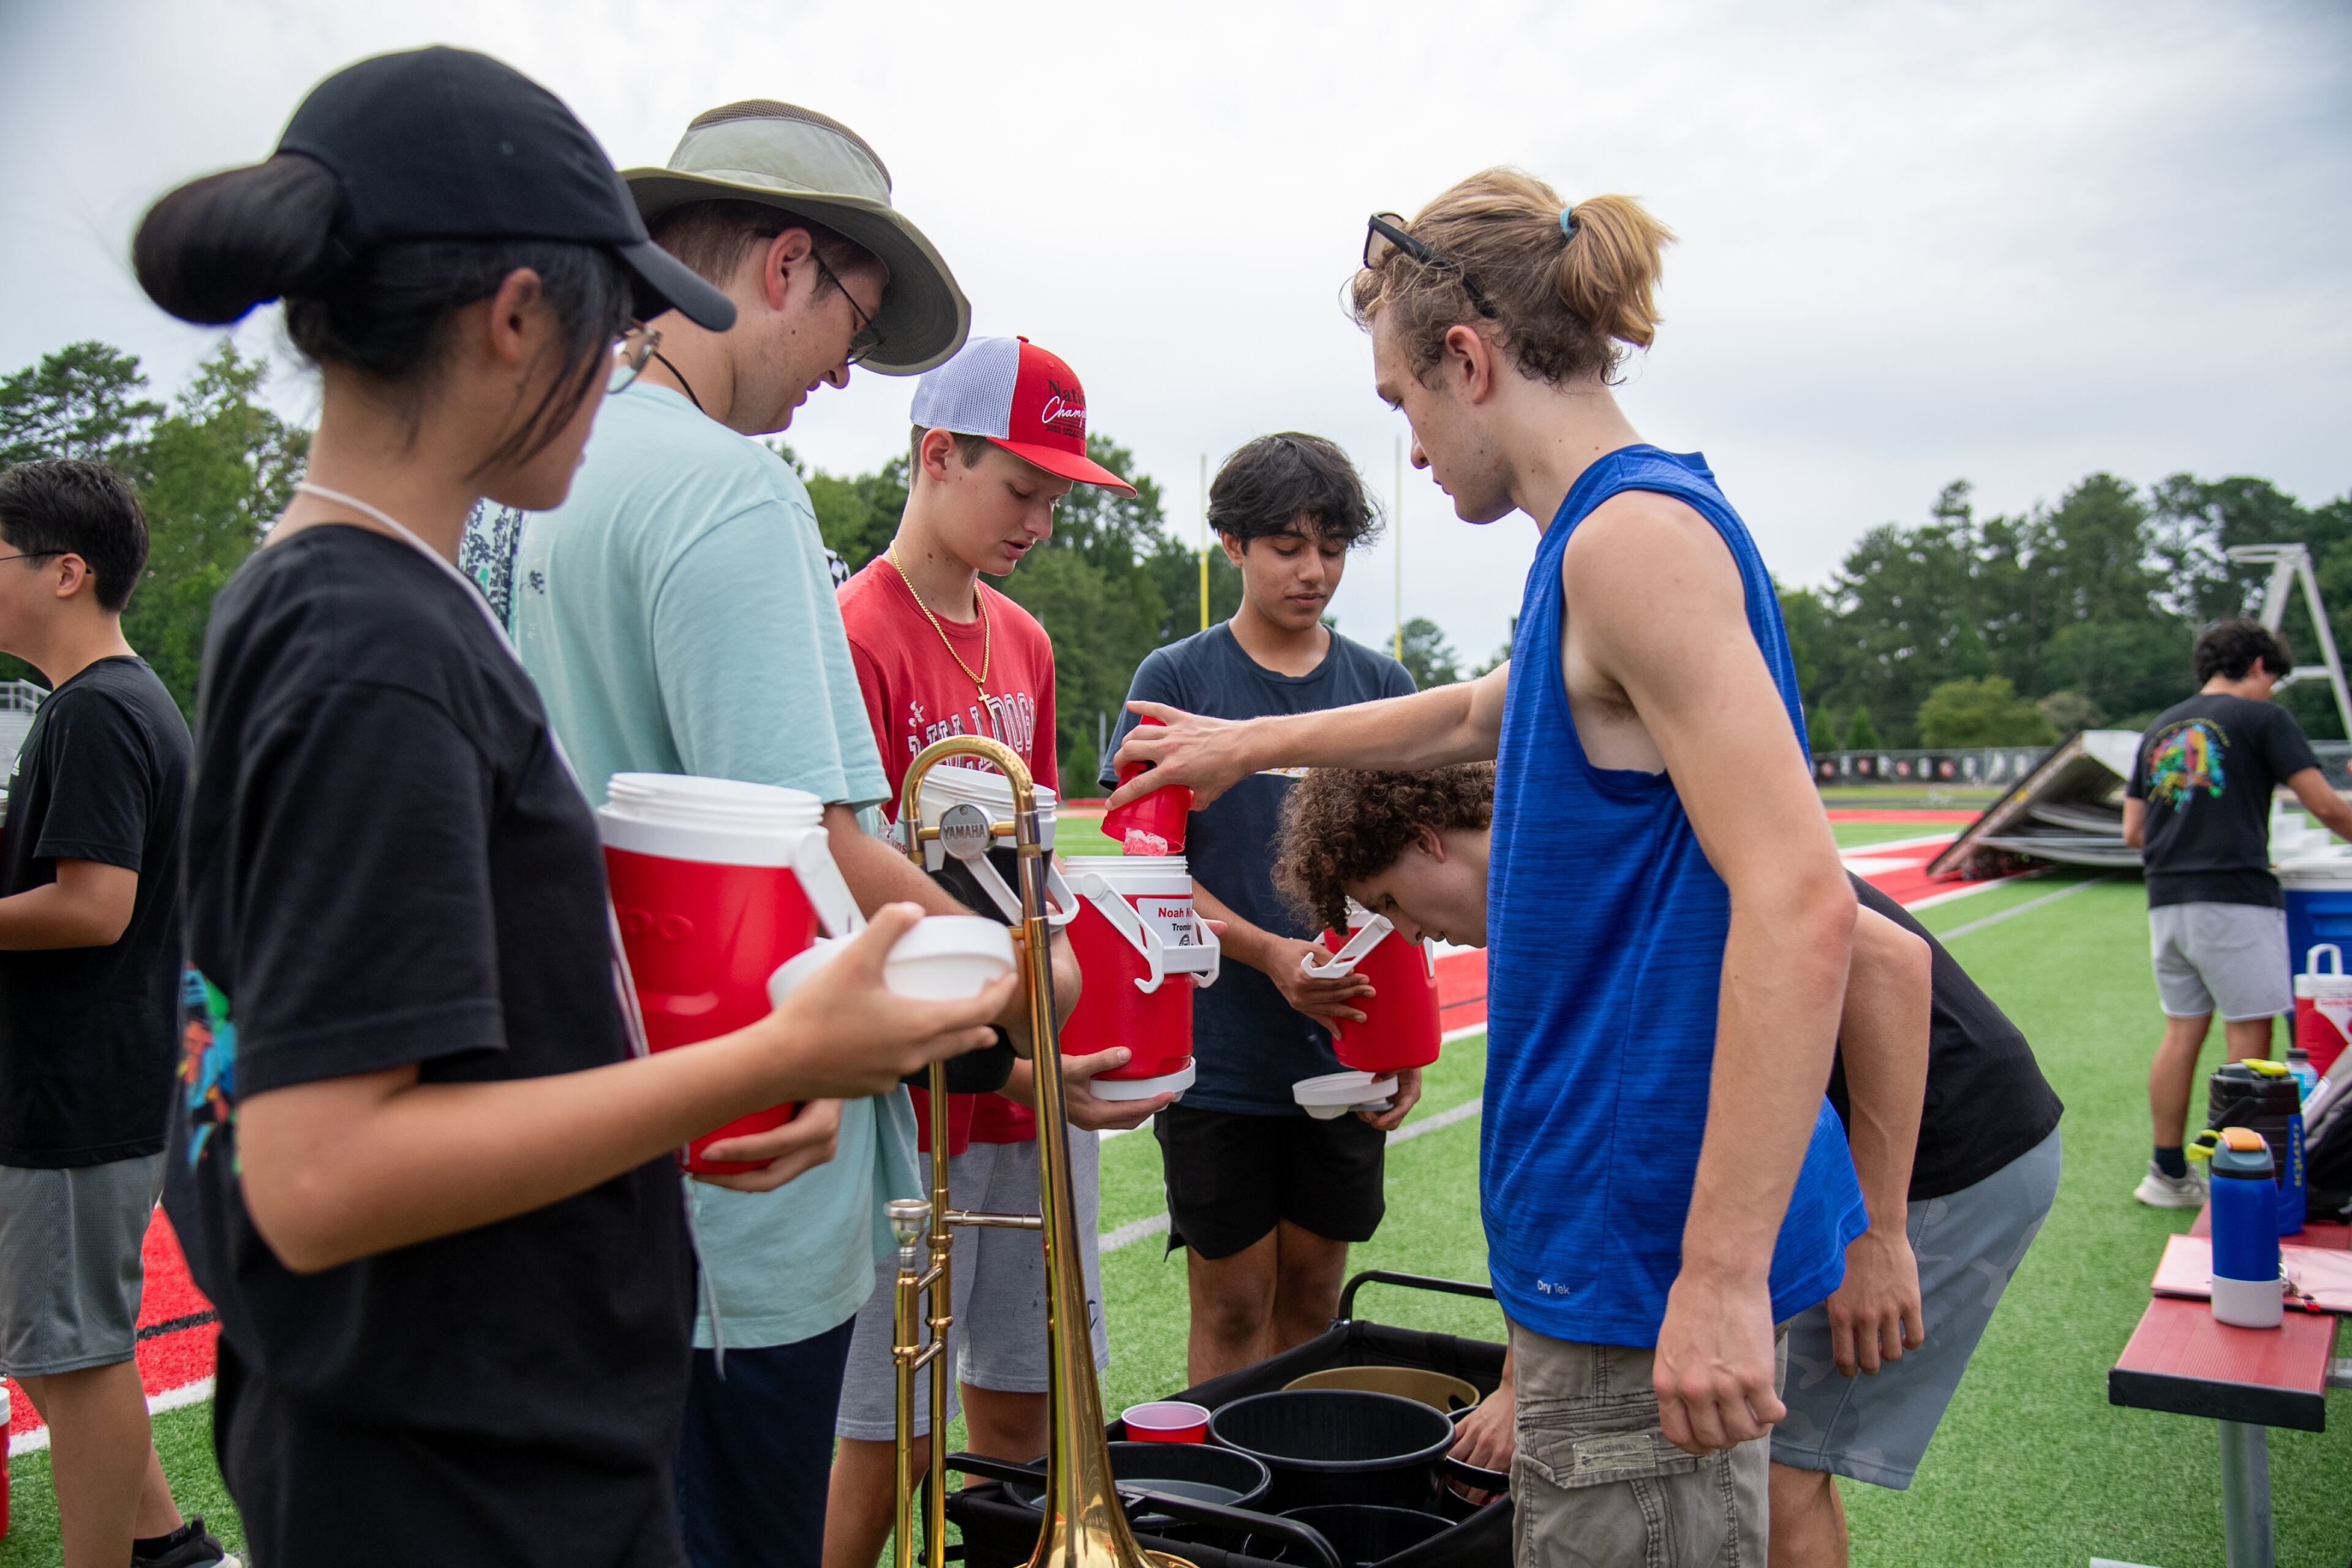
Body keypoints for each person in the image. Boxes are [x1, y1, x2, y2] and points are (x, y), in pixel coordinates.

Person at [135, 50, 1008, 1564]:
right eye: (608, 316)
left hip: (442, 1412)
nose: (621, 372)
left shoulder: (353, 592)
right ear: (517, 314)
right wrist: (776, 1049)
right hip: (464, 1461)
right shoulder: (370, 645)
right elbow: (319, 1171)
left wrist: (716, 1084)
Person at [1107, 170, 1867, 1561]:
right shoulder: (1597, 538)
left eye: (1399, 401)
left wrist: (1715, 1268)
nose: (1404, 452)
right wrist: (1241, 745)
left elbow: (1802, 895)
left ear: (1468, 359)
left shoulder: (1631, 540)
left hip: (1639, 1241)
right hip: (1609, 1228)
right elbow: (1469, 712)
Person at [462, 104, 1082, 1568]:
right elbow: (812, 855)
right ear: (790, 263)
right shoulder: (725, 488)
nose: (842, 376)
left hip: (565, 1147)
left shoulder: (529, 474)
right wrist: (1025, 990)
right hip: (738, 1183)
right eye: (853, 327)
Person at [1275, 765, 2065, 1568]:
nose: (1409, 934)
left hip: (1942, 1143)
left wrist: (1883, 1228)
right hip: (1839, 1138)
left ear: (1427, 842)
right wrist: (1524, 1378)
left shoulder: (1607, 852)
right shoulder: (1546, 885)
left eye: (1389, 903)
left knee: (1783, 1465)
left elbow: (1890, 967)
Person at [825, 337, 1155, 1568]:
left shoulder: (1025, 638)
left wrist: (1057, 975)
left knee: (1024, 1396)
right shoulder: (855, 627)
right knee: (887, 1420)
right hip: (917, 1084)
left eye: (1058, 494)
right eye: (1023, 485)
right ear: (937, 453)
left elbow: (1037, 850)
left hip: (1028, 1075)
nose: (1043, 517)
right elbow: (844, 869)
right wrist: (1018, 986)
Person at [1098, 433, 1416, 1384]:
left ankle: (1305, 1499)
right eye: (1287, 545)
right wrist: (1270, 955)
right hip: (1218, 1051)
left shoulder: (1380, 689)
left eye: (1332, 546)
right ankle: (1227, 1513)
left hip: (1342, 1051)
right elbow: (1150, 866)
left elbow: (1414, 880)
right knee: (1232, 1306)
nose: (1313, 570)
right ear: (1232, 545)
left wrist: (1403, 1037)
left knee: (1316, 1301)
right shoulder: (1178, 682)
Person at [0, 461, 227, 1568]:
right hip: (83, 1078)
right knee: (55, 1348)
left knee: (74, 1354)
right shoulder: (107, 703)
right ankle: (166, 1547)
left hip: (81, 1085)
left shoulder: (97, 710)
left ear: (66, 572)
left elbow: (94, 906)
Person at [2122, 617, 2352, 1207]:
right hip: (2232, 897)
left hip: (2166, 900)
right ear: (2258, 667)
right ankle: (2236, 1180)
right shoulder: (2265, 718)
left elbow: (2133, 832)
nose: (2272, 689)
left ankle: (2167, 1173)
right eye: (2273, 677)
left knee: (2181, 1032)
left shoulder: (2159, 726)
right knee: (2250, 1036)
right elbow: (2325, 806)